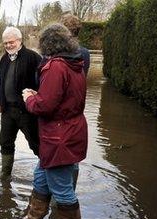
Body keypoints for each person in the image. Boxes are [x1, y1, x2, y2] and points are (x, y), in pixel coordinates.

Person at [16, 23, 88, 219]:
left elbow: (45, 106)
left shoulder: (56, 66)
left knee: (62, 188)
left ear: (47, 43)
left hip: (59, 137)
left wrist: (29, 98)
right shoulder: (74, 63)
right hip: (66, 132)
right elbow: (61, 99)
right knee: (40, 178)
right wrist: (41, 95)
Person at [0, 26, 42, 182]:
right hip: (8, 110)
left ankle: (47, 171)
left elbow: (43, 83)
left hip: (27, 111)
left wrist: (37, 100)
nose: (8, 45)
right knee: (5, 142)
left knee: (36, 143)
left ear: (20, 41)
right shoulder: (4, 59)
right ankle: (5, 175)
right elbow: (2, 82)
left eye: (11, 42)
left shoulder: (33, 58)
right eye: (5, 43)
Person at [60, 13, 91, 190]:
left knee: (56, 152)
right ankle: (71, 188)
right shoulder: (85, 53)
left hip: (59, 110)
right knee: (73, 154)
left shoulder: (56, 54)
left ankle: (60, 196)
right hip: (77, 108)